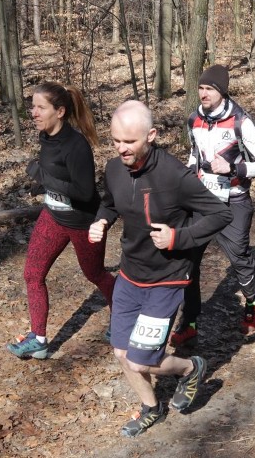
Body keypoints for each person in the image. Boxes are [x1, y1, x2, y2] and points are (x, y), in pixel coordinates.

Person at [89, 100, 233, 437]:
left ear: (151, 135)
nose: (122, 149)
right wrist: (101, 221)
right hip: (129, 275)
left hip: (166, 279)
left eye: (130, 141)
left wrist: (177, 237)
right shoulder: (113, 170)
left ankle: (189, 367)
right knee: (123, 354)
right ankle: (152, 408)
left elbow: (219, 215)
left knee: (141, 360)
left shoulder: (174, 176)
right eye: (116, 141)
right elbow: (109, 203)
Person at [6, 81, 116, 359]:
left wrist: (44, 178)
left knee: (95, 274)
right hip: (53, 218)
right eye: (33, 106)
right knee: (32, 274)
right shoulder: (46, 137)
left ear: (61, 111)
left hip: (82, 222)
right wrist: (42, 187)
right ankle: (39, 339)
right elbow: (58, 178)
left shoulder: (76, 145)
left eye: (41, 108)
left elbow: (84, 192)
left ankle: (123, 315)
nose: (34, 113)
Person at [170, 65, 255, 347]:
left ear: (222, 91)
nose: (204, 93)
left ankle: (252, 304)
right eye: (201, 88)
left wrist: (234, 168)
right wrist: (187, 176)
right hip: (202, 201)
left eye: (210, 89)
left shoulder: (240, 121)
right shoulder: (194, 118)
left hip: (234, 200)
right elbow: (195, 155)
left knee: (239, 258)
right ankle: (189, 322)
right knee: (188, 262)